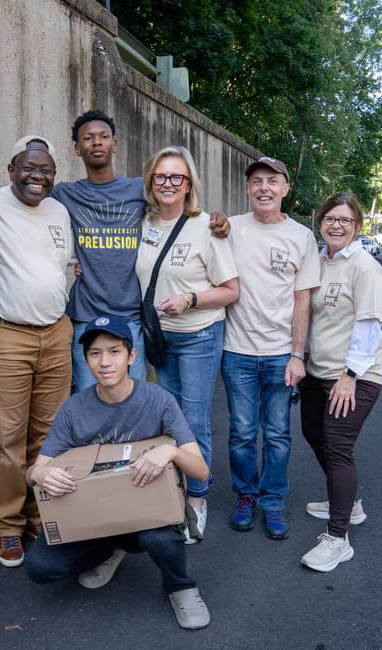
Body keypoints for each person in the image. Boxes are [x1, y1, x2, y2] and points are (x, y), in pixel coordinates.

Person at [25, 315, 211, 630]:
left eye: (114, 351)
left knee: (161, 538)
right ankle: (111, 549)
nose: (105, 362)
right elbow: (36, 469)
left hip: (148, 509)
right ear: (86, 360)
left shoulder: (158, 400)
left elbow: (201, 471)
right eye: (95, 353)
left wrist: (171, 451)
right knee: (40, 567)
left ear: (131, 356)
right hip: (96, 515)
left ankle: (180, 586)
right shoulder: (74, 409)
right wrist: (38, 475)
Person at [52, 110, 230, 392]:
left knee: (132, 405)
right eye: (88, 138)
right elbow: (29, 202)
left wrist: (218, 220)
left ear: (116, 143)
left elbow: (177, 208)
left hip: (132, 317)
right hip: (86, 317)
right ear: (77, 148)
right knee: (90, 404)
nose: (97, 142)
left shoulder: (139, 190)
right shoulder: (65, 194)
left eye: (104, 137)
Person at [0, 136, 73, 567]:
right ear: (12, 168)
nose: (38, 176)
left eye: (47, 169)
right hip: (8, 337)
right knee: (8, 437)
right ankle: (8, 526)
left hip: (56, 334)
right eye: (30, 167)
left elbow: (64, 265)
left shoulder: (59, 211)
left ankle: (40, 514)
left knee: (50, 436)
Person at [135, 146, 239, 543]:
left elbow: (231, 291)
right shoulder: (140, 223)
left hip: (198, 335)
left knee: (194, 421)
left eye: (176, 177)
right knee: (169, 420)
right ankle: (173, 490)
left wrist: (190, 299)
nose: (167, 183)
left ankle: (197, 497)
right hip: (158, 338)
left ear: (189, 184)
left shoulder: (206, 228)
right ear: (150, 181)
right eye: (161, 176)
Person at [221, 156, 320, 539]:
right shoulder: (229, 229)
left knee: (278, 433)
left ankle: (272, 501)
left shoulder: (301, 237)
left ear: (284, 188)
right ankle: (245, 495)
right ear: (248, 188)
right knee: (243, 432)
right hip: (238, 351)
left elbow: (302, 301)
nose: (264, 187)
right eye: (257, 181)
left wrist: (298, 354)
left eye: (272, 181)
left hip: (280, 353)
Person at [299, 193, 382, 572]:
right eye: (330, 218)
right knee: (312, 433)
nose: (336, 225)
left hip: (355, 376)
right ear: (321, 221)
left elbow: (368, 330)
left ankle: (338, 538)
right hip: (317, 371)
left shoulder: (364, 268)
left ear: (357, 227)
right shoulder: (319, 260)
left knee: (337, 446)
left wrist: (350, 376)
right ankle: (348, 502)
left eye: (345, 220)